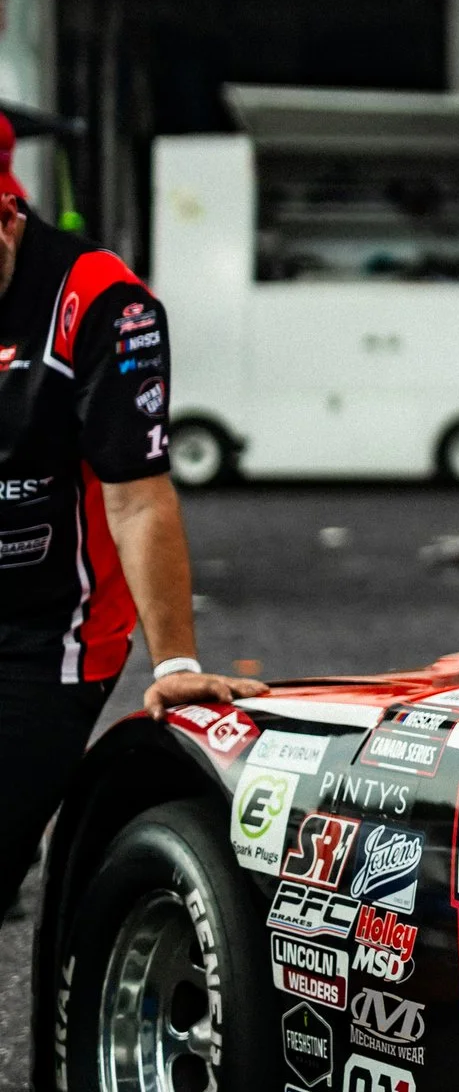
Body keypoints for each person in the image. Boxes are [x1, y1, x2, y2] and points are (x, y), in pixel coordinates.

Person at [0, 186, 265, 913]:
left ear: (7, 217)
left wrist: (176, 662)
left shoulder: (102, 301)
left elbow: (137, 496)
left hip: (51, 631)